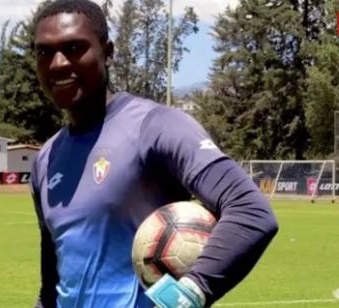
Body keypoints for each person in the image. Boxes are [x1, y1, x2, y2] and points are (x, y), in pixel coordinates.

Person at [29, 0, 279, 307]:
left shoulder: (156, 126)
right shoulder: (46, 158)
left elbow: (250, 211)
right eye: (44, 52)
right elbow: (52, 286)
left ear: (107, 52)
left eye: (74, 48)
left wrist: (190, 293)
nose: (58, 64)